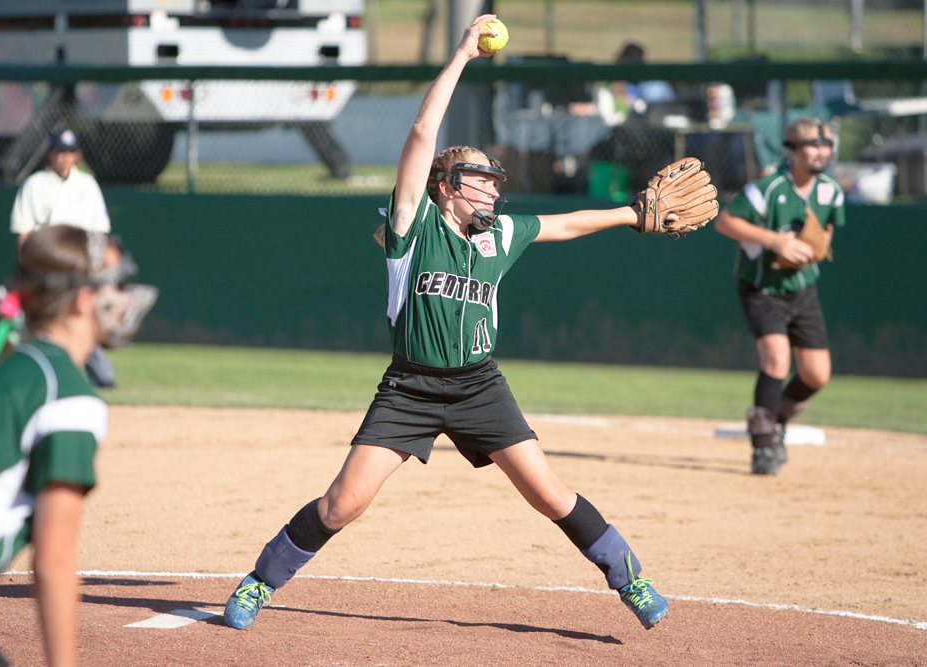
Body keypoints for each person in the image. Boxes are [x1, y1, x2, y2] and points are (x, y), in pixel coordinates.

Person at [222, 15, 690, 633]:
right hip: (409, 388)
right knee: (342, 504)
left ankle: (630, 580)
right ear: (445, 188)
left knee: (550, 495)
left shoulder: (500, 235)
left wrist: (631, 214)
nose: (493, 191)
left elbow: (565, 224)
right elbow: (422, 133)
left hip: (479, 386)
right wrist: (465, 53)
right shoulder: (412, 225)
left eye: (496, 182)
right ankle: (260, 582)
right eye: (480, 181)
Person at [0, 226, 156, 667]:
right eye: (116, 285)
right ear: (84, 299)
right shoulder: (68, 395)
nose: (125, 297)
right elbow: (54, 559)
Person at [712, 118, 844, 475]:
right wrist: (775, 241)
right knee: (776, 359)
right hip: (762, 288)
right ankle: (763, 446)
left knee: (816, 375)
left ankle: (777, 421)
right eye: (812, 145)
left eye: (825, 145)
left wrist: (818, 245)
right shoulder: (767, 188)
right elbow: (725, 221)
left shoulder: (830, 191)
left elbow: (827, 227)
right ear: (792, 150)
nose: (821, 151)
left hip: (802, 289)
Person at [9, 128, 116, 389]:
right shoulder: (35, 184)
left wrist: (95, 268)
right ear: (49, 153)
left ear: (77, 155)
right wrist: (25, 269)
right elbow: (24, 232)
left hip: (79, 267)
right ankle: (21, 370)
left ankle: (102, 376)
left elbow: (98, 232)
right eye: (60, 151)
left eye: (69, 152)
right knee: (37, 322)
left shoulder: (87, 185)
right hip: (45, 267)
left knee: (82, 317)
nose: (64, 157)